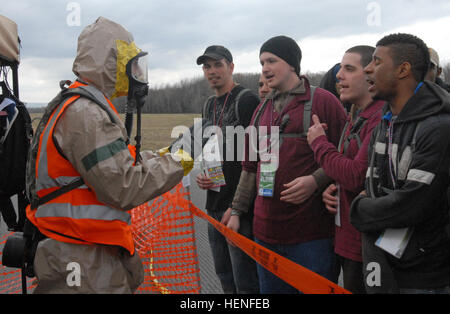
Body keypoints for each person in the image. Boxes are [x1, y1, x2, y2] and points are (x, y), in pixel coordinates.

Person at [26, 17, 194, 294]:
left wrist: (161, 156)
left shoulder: (83, 105)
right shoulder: (87, 113)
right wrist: (178, 163)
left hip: (81, 250)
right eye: (132, 62)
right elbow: (122, 186)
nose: (137, 71)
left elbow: (114, 164)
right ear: (113, 61)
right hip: (84, 259)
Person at [226, 36, 347, 293]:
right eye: (261, 63)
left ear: (292, 64)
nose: (265, 69)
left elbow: (347, 156)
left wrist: (316, 180)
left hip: (311, 236)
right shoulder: (261, 110)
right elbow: (250, 168)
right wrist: (237, 211)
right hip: (265, 233)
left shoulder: (323, 101)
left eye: (272, 61)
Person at [350, 33, 450, 294]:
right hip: (385, 265)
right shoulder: (385, 122)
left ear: (403, 69)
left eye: (377, 61)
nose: (368, 69)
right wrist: (371, 200)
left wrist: (359, 209)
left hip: (425, 275)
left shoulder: (438, 127)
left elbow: (412, 205)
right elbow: (371, 186)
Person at [307, 45, 384, 294]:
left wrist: (319, 143)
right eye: (340, 69)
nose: (339, 75)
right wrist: (332, 186)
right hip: (346, 241)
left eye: (349, 69)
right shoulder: (356, 116)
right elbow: (348, 172)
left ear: (371, 75)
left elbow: (355, 175)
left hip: (366, 246)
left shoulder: (380, 118)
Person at [195, 45, 260, 294]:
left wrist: (237, 207)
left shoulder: (247, 99)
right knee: (224, 275)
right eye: (207, 66)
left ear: (231, 67)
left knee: (245, 280)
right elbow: (210, 149)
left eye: (218, 65)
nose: (212, 71)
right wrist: (203, 175)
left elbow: (256, 157)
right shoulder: (208, 105)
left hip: (238, 210)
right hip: (214, 205)